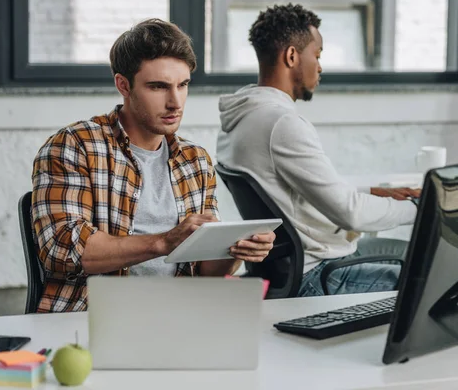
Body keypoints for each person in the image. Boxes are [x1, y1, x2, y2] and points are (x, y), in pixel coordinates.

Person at [31, 19, 275, 313]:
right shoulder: (75, 145)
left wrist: (237, 251)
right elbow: (61, 250)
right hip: (94, 319)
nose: (175, 102)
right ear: (123, 85)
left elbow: (205, 271)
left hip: (177, 317)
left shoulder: (195, 160)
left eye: (182, 85)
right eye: (158, 86)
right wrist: (163, 242)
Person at [216, 4, 420, 297]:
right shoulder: (282, 123)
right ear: (291, 56)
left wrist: (374, 190)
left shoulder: (240, 117)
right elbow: (351, 214)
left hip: (286, 269)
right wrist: (421, 208)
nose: (320, 66)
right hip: (315, 275)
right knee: (431, 276)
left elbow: (296, 194)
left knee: (411, 253)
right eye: (318, 54)